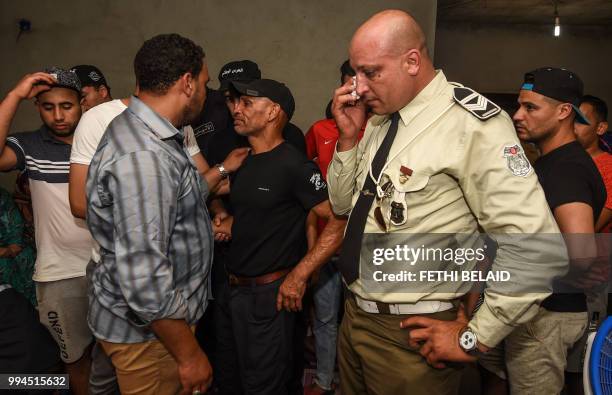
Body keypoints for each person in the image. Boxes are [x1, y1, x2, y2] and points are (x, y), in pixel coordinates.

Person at [327, 10, 566, 395]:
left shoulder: (469, 123)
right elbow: (341, 206)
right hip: (354, 315)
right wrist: (350, 140)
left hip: (412, 332)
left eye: (371, 72)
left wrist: (476, 336)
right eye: (356, 73)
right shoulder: (378, 120)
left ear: (412, 62)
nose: (358, 87)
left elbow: (539, 249)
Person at [86, 33, 247, 395]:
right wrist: (189, 355)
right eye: (205, 84)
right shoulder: (145, 156)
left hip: (147, 330)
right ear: (187, 83)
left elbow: (169, 201)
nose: (209, 94)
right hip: (152, 339)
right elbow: (144, 276)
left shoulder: (143, 131)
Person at [213, 78, 345, 395]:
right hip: (232, 291)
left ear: (273, 112)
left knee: (265, 386)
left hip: (269, 295)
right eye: (236, 102)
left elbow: (339, 222)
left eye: (247, 103)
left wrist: (301, 274)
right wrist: (229, 218)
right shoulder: (243, 160)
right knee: (230, 381)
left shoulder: (294, 165)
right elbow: (236, 201)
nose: (236, 109)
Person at [0, 67, 93, 395]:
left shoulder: (99, 142)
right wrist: (14, 95)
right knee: (75, 361)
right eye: (47, 106)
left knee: (119, 355)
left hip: (108, 270)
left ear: (82, 102)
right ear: (37, 107)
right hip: (58, 274)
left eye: (66, 106)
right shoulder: (29, 145)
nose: (57, 115)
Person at [303, 60, 364, 395]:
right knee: (325, 318)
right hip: (327, 239)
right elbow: (311, 180)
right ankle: (325, 380)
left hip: (362, 245)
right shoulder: (321, 129)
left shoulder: (379, 130)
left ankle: (353, 381)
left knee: (359, 321)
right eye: (349, 82)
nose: (355, 89)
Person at [574, 95, 611, 231]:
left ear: (600, 128)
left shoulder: (609, 169)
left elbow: (588, 230)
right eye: (569, 120)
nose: (572, 127)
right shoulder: (561, 161)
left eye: (579, 121)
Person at [0, 186, 36, 306]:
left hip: (10, 246)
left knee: (25, 255)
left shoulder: (3, 196)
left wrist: (12, 247)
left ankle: (32, 311)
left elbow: (15, 227)